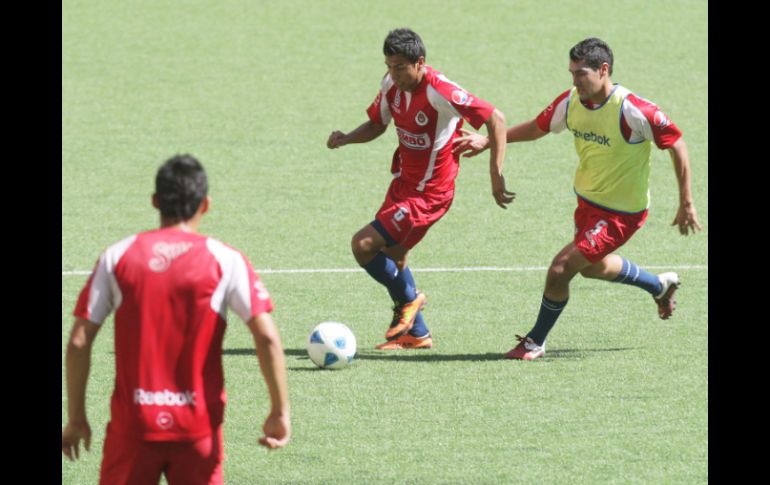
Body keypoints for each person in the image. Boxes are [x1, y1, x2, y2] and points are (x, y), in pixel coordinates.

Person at [453, 37, 702, 360]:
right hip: (587, 205)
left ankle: (534, 342)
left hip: (621, 215)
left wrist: (686, 202)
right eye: (571, 73)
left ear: (603, 70)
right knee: (593, 267)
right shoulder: (570, 102)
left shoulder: (633, 110)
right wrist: (489, 140)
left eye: (581, 74)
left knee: (561, 269)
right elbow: (537, 128)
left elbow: (677, 144)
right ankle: (659, 286)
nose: (575, 81)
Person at [61, 155, 291, 484]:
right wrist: (279, 410)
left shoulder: (118, 256)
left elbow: (78, 341)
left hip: (133, 427)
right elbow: (267, 337)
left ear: (155, 201)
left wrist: (76, 418)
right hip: (198, 428)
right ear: (205, 204)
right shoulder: (225, 259)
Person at [327, 28, 513, 350]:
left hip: (429, 195)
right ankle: (418, 334)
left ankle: (410, 300)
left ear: (420, 63)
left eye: (400, 67)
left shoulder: (440, 91)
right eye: (389, 66)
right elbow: (377, 124)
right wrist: (346, 139)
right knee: (394, 257)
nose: (394, 74)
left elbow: (496, 118)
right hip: (403, 184)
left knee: (363, 245)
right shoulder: (390, 85)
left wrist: (495, 174)